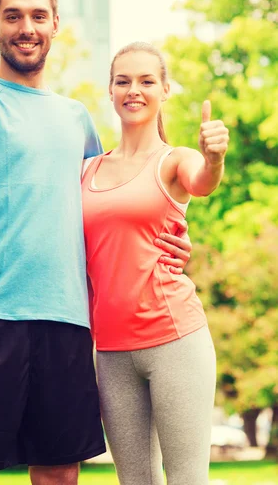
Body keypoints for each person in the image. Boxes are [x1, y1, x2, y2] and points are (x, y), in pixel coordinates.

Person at [0, 0, 191, 485]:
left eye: (37, 16)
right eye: (13, 16)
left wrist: (172, 242)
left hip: (67, 322)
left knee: (60, 473)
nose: (26, 27)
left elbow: (107, 208)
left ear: (55, 26)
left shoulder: (77, 119)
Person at [81, 41, 229, 485]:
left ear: (164, 90)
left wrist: (215, 158)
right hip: (109, 351)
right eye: (123, 81)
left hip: (174, 341)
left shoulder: (173, 160)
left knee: (186, 479)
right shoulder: (87, 170)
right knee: (135, 482)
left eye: (147, 81)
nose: (134, 90)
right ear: (110, 91)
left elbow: (201, 181)